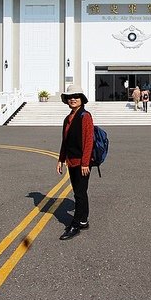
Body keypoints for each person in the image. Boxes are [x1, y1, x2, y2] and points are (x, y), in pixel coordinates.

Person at [56, 83, 94, 240]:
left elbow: (88, 141)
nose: (73, 99)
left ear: (82, 99)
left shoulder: (85, 116)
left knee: (79, 193)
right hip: (71, 161)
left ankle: (76, 224)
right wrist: (61, 159)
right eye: (70, 97)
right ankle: (84, 220)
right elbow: (65, 141)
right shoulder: (68, 118)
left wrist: (85, 162)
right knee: (80, 192)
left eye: (76, 97)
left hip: (82, 162)